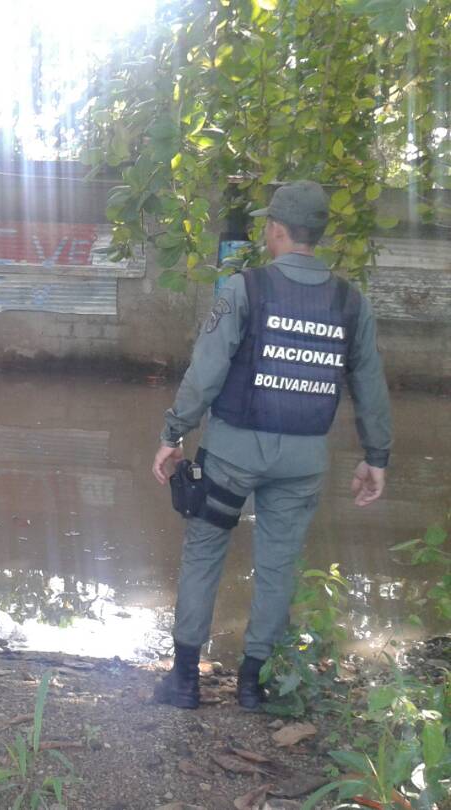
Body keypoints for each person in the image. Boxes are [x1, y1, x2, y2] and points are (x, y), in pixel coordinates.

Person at [150, 180, 392, 711]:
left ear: (277, 229)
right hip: (303, 461)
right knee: (278, 566)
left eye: (267, 224)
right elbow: (370, 387)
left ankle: (185, 682)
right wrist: (376, 458)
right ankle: (250, 685)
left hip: (231, 456)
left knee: (203, 555)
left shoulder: (246, 289)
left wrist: (173, 433)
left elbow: (206, 372)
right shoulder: (351, 303)